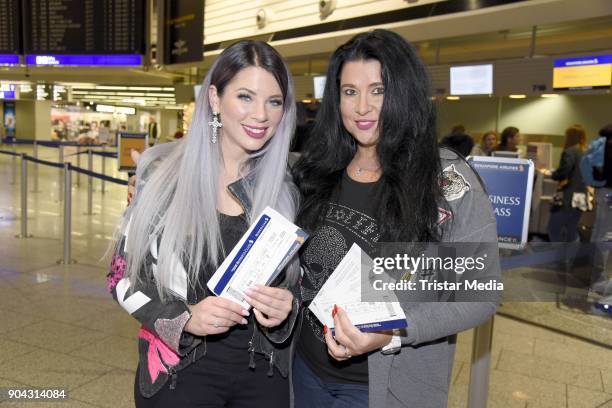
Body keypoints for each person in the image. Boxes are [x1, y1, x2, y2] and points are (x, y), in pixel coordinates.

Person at [292, 29, 500, 408]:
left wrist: (392, 334)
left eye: (378, 90)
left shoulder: (446, 181)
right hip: (306, 373)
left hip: (382, 388)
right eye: (349, 91)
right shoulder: (321, 170)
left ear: (404, 93)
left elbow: (479, 297)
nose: (362, 108)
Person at [107, 40, 300, 408]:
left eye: (274, 101)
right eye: (245, 96)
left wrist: (287, 306)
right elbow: (120, 277)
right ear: (214, 98)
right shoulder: (162, 175)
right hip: (178, 374)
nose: (260, 114)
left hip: (264, 376)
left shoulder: (289, 187)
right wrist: (183, 319)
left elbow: (302, 284)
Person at [580, 123, 612, 296]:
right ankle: (600, 281)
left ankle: (598, 279)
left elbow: (584, 166)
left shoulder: (600, 143)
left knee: (601, 233)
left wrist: (594, 184)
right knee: (604, 235)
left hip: (603, 191)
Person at [547, 125, 588, 243]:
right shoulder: (586, 152)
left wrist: (553, 174)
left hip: (568, 196)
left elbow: (564, 172)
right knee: (572, 229)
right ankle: (569, 259)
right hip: (581, 196)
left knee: (553, 228)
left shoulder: (569, 152)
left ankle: (558, 257)